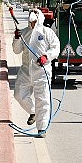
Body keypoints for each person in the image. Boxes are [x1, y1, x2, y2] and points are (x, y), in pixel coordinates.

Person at [12, 8, 60, 137]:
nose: (32, 17)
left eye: (35, 14)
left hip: (42, 72)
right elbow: (16, 51)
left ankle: (42, 128)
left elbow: (56, 48)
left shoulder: (47, 32)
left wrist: (46, 56)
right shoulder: (24, 33)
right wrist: (16, 39)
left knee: (43, 100)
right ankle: (32, 111)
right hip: (26, 70)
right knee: (18, 94)